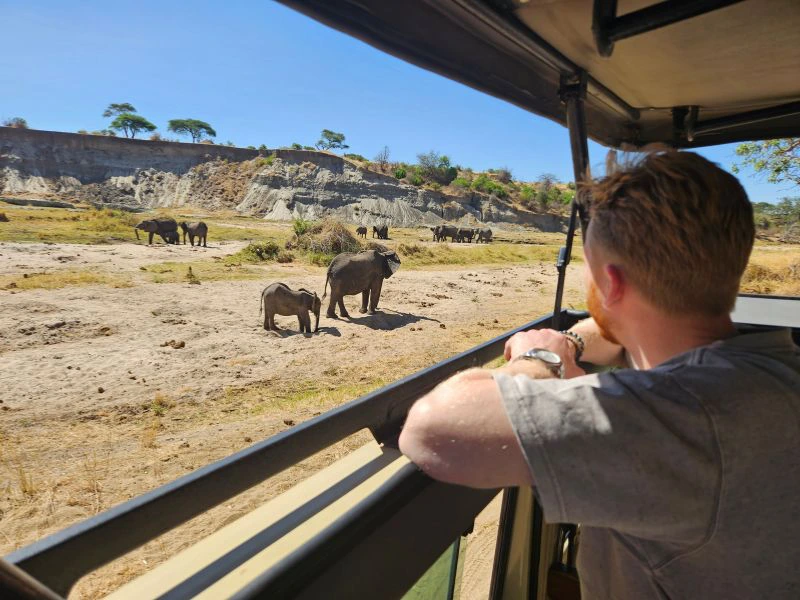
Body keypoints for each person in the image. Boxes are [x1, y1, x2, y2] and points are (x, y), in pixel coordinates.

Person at [399, 151, 800, 599]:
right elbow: (624, 334)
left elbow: (432, 429)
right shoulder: (772, 367)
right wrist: (571, 342)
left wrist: (541, 358)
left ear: (610, 284)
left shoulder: (682, 414)